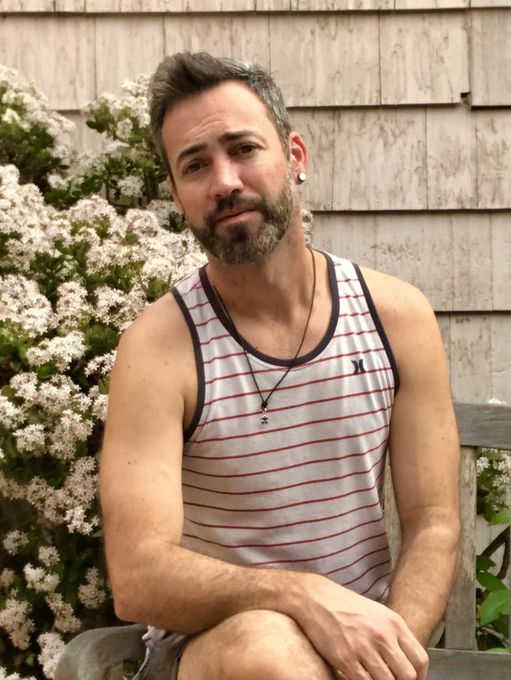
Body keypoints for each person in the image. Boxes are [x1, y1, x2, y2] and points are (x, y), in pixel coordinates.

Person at [99, 52, 460, 680]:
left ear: (295, 155)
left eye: (243, 149)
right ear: (178, 195)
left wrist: (389, 656)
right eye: (195, 165)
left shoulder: (396, 318)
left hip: (358, 648)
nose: (224, 181)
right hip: (211, 649)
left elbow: (433, 523)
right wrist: (299, 594)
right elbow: (137, 575)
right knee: (267, 648)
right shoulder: (158, 349)